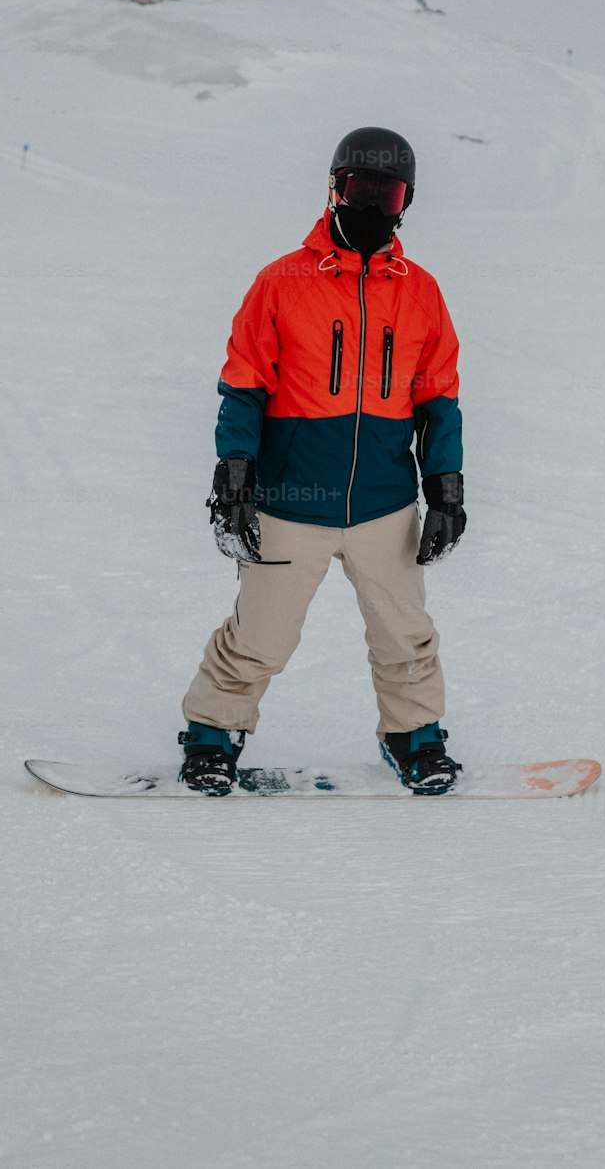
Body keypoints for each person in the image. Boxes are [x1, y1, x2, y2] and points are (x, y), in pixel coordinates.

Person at [179, 127, 466, 796]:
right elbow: (244, 387)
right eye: (357, 189)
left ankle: (413, 735)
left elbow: (439, 401)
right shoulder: (281, 283)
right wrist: (235, 475)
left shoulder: (420, 293)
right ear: (334, 188)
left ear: (405, 202)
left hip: (384, 502)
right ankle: (211, 734)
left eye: (385, 193)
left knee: (406, 635)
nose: (369, 204)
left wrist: (445, 490)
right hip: (291, 499)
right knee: (261, 636)